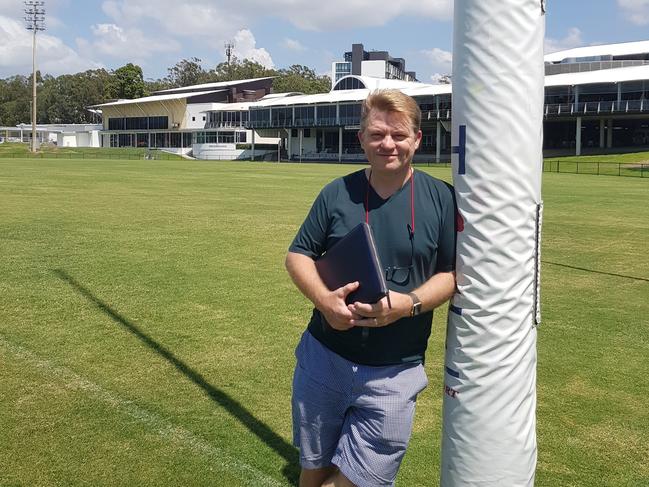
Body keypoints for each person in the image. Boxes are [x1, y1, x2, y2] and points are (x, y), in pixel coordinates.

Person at [285, 89, 456, 487]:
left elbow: (451, 274)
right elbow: (298, 255)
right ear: (360, 138)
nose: (388, 144)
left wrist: (408, 304)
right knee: (314, 467)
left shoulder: (441, 199)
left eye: (398, 135)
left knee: (363, 479)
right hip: (325, 355)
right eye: (377, 134)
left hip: (396, 371)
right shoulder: (335, 194)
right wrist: (325, 301)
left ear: (417, 138)